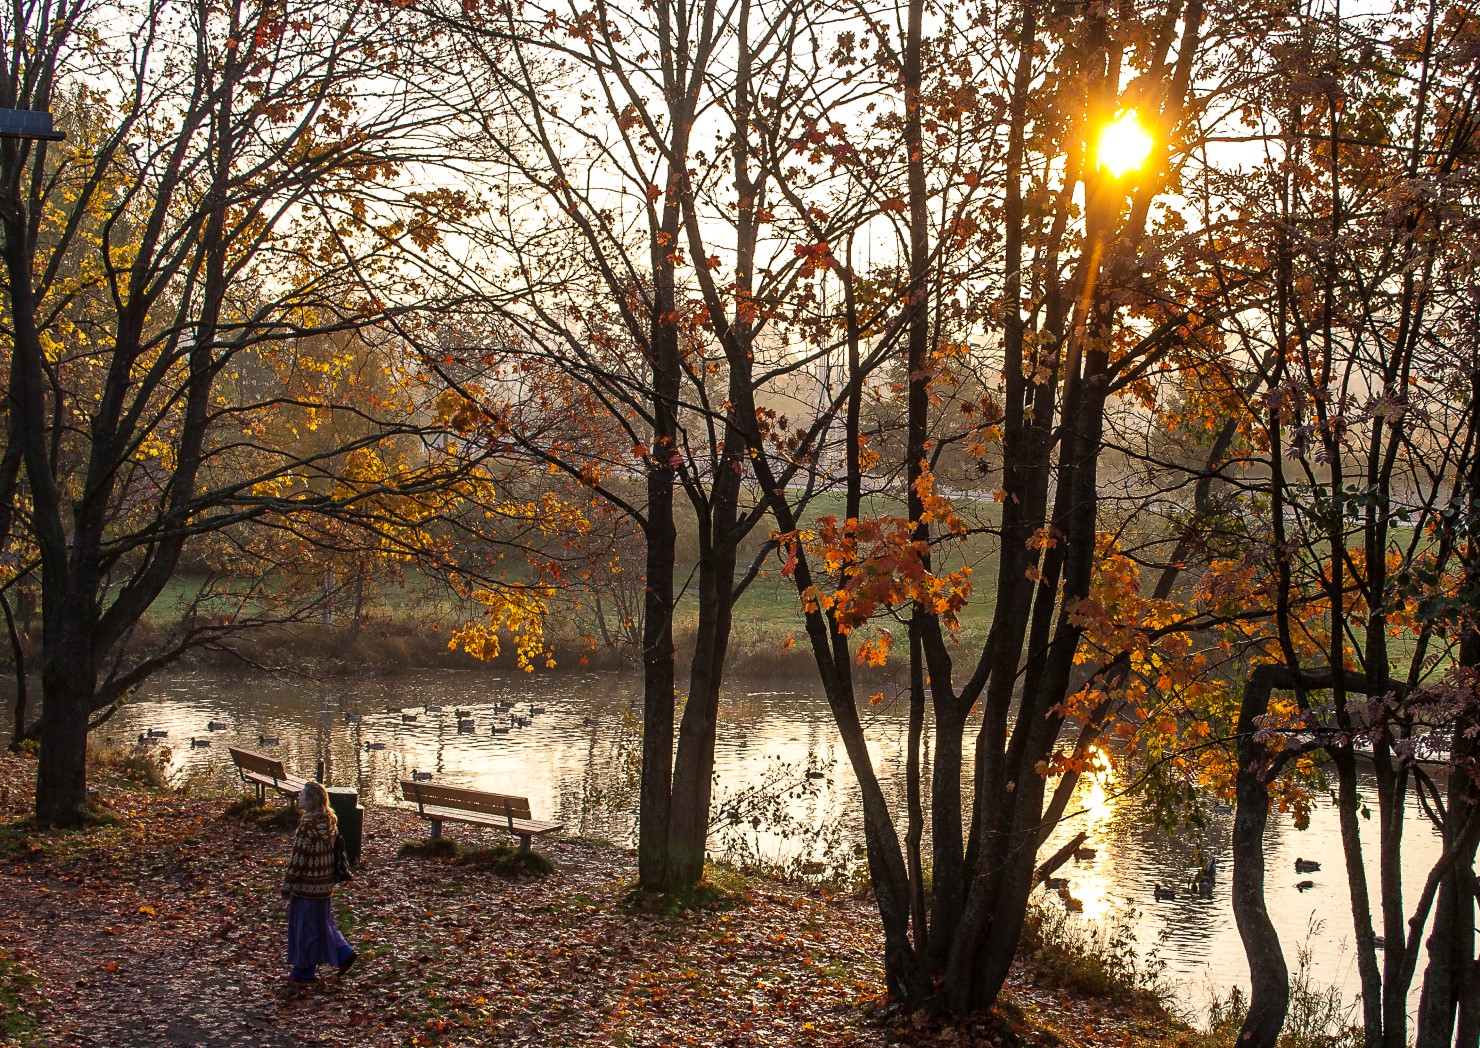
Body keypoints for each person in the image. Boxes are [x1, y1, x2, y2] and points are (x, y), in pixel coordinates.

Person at [282, 781, 356, 983]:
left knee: (306, 928)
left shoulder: (307, 826)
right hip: (325, 885)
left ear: (312, 800)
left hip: (307, 885)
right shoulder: (330, 821)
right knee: (323, 923)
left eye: (303, 795)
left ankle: (303, 971)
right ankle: (343, 951)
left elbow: (299, 860)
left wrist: (287, 885)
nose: (299, 797)